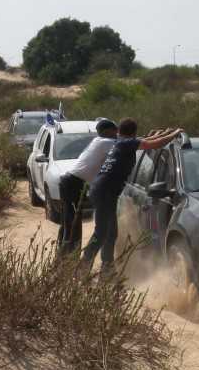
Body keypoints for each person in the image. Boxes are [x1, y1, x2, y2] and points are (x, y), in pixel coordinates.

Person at [80, 119, 183, 276]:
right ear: (133, 133)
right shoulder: (125, 144)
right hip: (104, 192)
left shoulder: (121, 142)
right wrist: (174, 134)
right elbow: (152, 144)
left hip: (104, 191)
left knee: (111, 232)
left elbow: (147, 140)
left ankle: (107, 268)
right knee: (101, 232)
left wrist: (167, 133)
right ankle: (84, 266)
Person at [58, 118, 118, 256]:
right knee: (72, 226)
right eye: (115, 130)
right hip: (71, 184)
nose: (117, 133)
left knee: (70, 224)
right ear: (107, 131)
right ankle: (66, 262)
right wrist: (154, 137)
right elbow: (130, 143)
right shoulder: (105, 142)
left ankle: (65, 260)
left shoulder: (98, 141)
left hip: (73, 183)